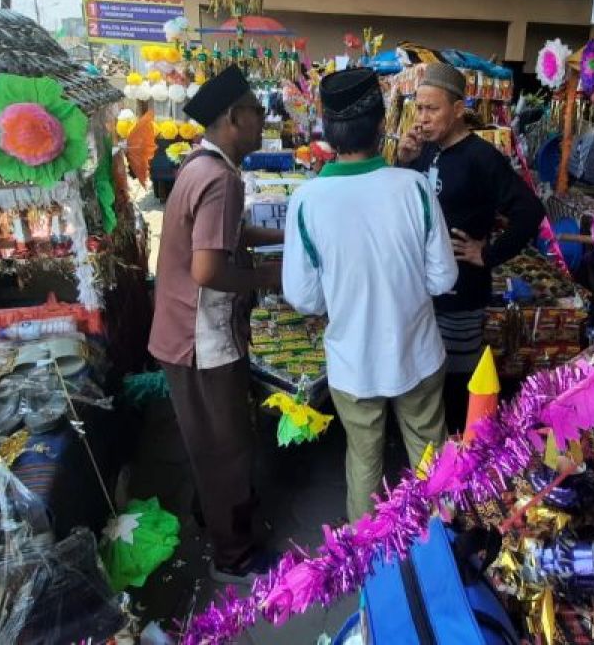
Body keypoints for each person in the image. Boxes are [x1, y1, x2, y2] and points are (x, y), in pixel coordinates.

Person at [283, 67, 458, 520]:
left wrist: (345, 297)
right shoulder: (415, 189)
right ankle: (437, 547)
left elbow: (302, 297)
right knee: (429, 455)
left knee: (364, 462)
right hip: (417, 354)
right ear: (382, 124)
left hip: (353, 362)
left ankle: (365, 566)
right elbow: (442, 279)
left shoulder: (307, 200)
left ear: (326, 130)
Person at [148, 65, 283, 584]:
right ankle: (234, 554)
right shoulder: (222, 179)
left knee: (208, 440)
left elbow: (219, 234)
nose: (262, 120)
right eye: (255, 110)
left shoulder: (200, 166)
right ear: (233, 117)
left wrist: (274, 235)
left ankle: (213, 514)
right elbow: (208, 267)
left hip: (180, 332)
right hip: (199, 340)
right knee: (227, 447)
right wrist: (271, 274)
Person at [396, 62, 546, 432]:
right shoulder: (425, 151)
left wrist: (488, 252)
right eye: (419, 108)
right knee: (422, 374)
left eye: (433, 108)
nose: (423, 117)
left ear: (458, 109)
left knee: (456, 379)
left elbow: (530, 210)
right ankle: (426, 453)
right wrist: (403, 162)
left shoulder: (482, 157)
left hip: (462, 292)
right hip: (420, 291)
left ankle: (459, 461)